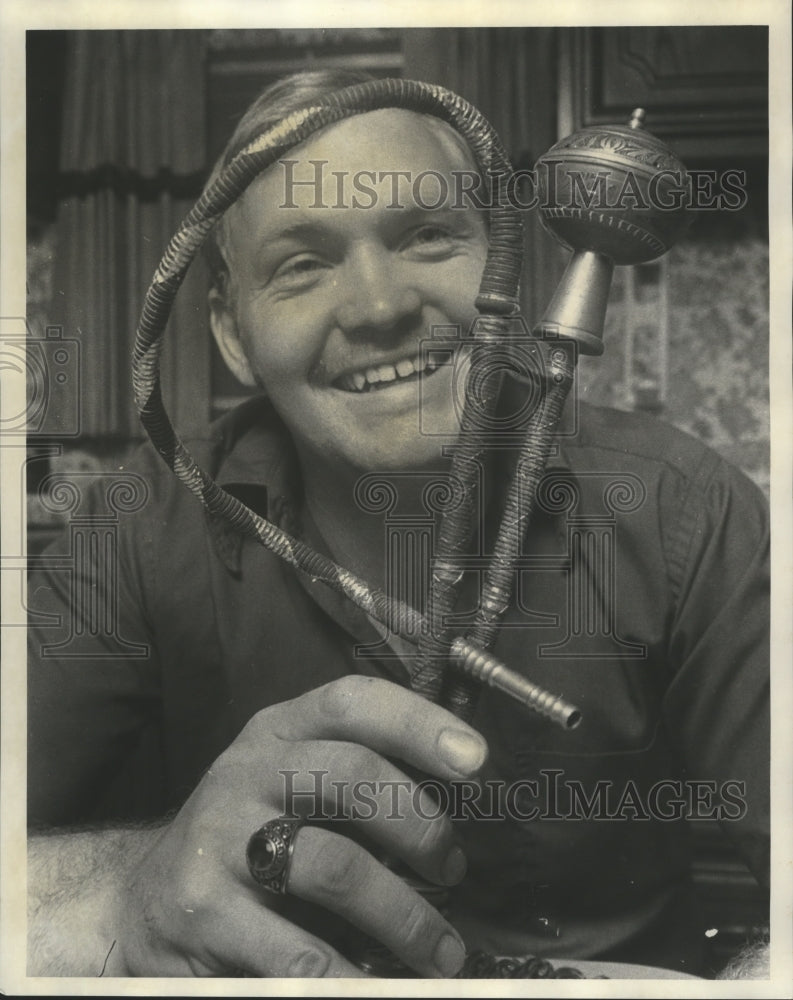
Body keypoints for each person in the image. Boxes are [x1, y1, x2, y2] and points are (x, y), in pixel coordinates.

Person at [26, 70, 769, 979]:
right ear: (230, 331)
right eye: (301, 264)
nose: (379, 308)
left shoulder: (684, 508)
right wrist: (131, 882)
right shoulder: (133, 533)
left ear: (507, 265)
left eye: (426, 236)